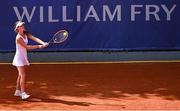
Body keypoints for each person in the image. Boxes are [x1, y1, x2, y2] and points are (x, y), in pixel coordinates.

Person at [12, 21, 49, 100]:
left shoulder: (26, 33)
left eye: (23, 25)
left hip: (23, 57)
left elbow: (34, 38)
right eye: (20, 26)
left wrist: (43, 43)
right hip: (19, 58)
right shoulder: (18, 38)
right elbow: (27, 47)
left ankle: (17, 91)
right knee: (23, 75)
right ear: (17, 28)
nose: (22, 26)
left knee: (20, 75)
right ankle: (23, 93)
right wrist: (39, 46)